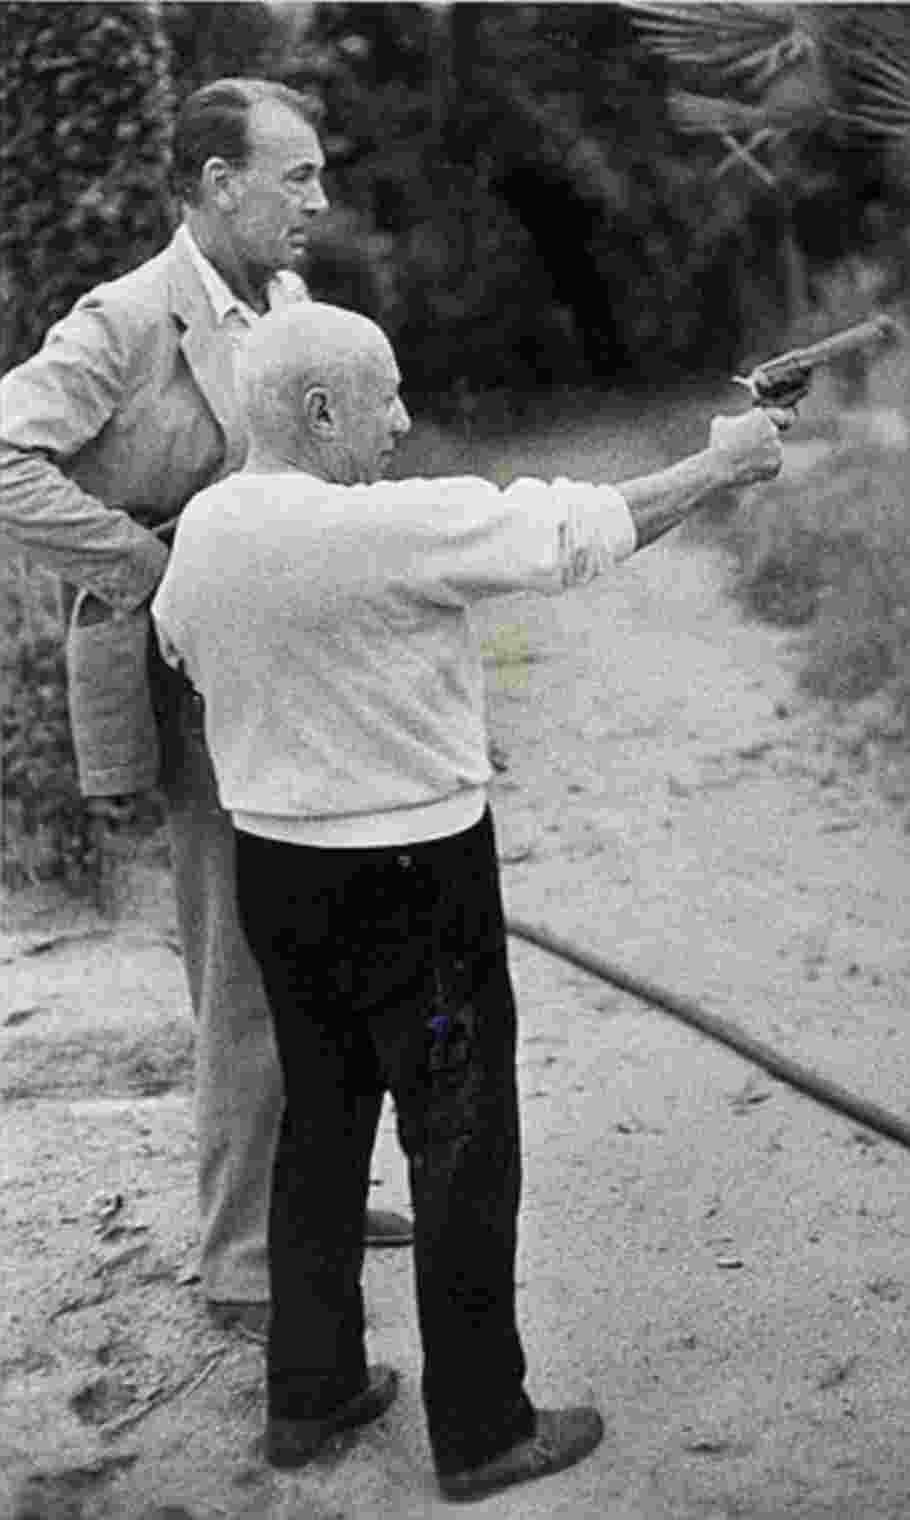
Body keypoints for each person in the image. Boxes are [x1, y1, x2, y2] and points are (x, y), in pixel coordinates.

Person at [150, 302, 791, 1501]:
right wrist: (723, 462)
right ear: (321, 410)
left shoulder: (204, 530)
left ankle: (311, 1388)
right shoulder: (388, 528)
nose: (402, 420)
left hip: (279, 876)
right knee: (461, 1144)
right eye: (384, 396)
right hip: (416, 882)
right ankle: (485, 1426)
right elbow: (576, 533)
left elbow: (182, 647)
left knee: (320, 1133)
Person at [0, 79, 412, 1344]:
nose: (319, 202)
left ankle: (319, 1191)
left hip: (297, 667)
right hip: (187, 678)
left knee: (332, 932)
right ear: (218, 181)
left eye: (321, 176)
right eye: (297, 176)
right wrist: (137, 561)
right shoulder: (128, 318)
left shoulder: (290, 309)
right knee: (242, 959)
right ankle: (243, 1256)